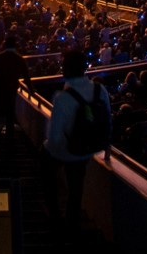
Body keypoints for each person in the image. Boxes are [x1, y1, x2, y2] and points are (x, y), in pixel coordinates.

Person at [43, 49, 109, 222]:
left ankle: (53, 213)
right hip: (89, 149)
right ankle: (72, 221)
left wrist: (47, 149)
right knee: (76, 185)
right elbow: (107, 120)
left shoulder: (62, 98)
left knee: (44, 168)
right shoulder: (100, 89)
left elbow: (55, 139)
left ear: (66, 69)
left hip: (69, 151)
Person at [0, 36, 31, 138]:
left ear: (4, 44)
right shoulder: (19, 58)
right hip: (11, 89)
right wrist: (31, 90)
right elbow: (26, 76)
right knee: (10, 112)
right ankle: (9, 135)